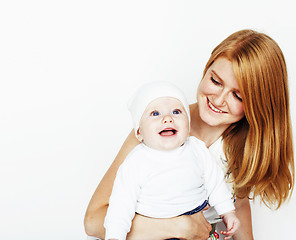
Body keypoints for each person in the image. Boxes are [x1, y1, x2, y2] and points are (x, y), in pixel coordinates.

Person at [84, 29, 295, 240]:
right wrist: (177, 227)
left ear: (258, 106)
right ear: (206, 70)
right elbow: (94, 221)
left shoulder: (244, 142)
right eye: (215, 81)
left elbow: (238, 203)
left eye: (237, 96)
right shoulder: (155, 130)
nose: (219, 100)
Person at [104, 81, 239, 240]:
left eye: (176, 111)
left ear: (187, 126)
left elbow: (215, 183)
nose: (167, 118)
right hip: (156, 228)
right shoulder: (135, 162)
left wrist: (228, 212)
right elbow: (121, 205)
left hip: (196, 224)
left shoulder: (197, 149)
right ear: (139, 133)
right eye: (155, 114)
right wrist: (114, 236)